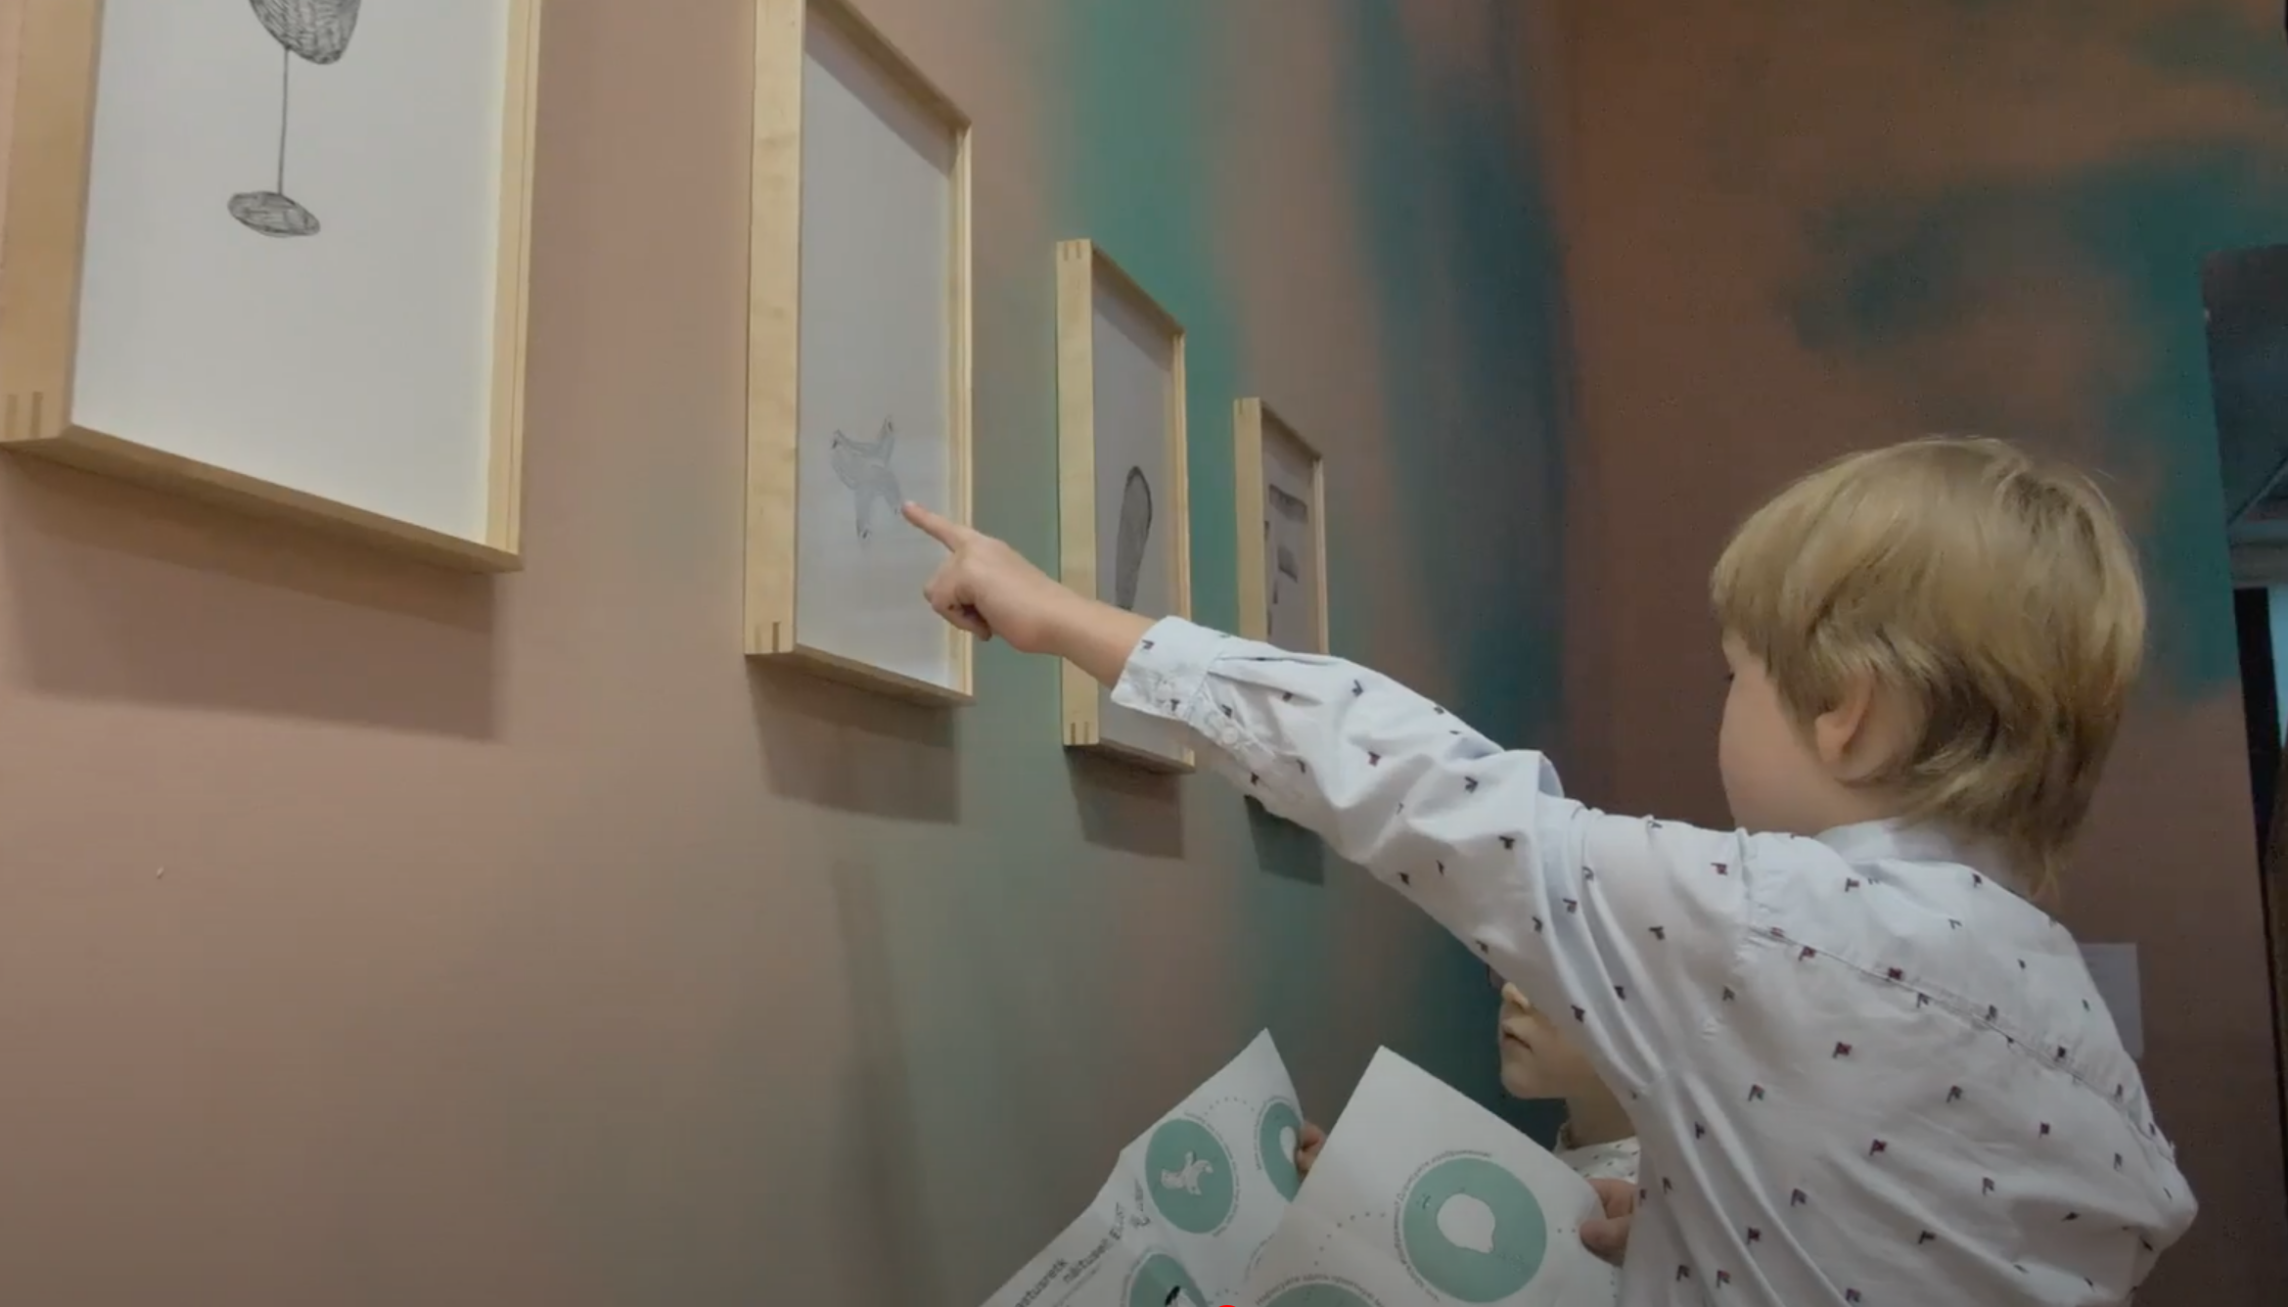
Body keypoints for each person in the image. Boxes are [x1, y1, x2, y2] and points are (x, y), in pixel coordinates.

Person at [903, 437, 2194, 1304]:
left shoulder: (1773, 926)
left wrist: (1065, 617)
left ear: (1847, 713)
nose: (1724, 702)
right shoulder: (2069, 1020)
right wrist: (1693, 1230)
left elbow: (1416, 784)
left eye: (1735, 675)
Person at [1292, 975, 1639, 1188]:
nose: (1512, 991)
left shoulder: (1645, 1214)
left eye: (1559, 975)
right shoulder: (1583, 1151)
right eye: (1514, 966)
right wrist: (1342, 1195)